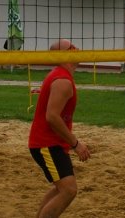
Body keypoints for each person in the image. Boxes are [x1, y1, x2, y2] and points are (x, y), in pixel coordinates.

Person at [28, 39, 91, 218]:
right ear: (64, 55)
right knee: (68, 190)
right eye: (72, 47)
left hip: (51, 143)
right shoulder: (62, 80)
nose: (77, 48)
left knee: (62, 188)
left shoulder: (62, 75)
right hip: (46, 144)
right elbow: (52, 117)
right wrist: (76, 144)